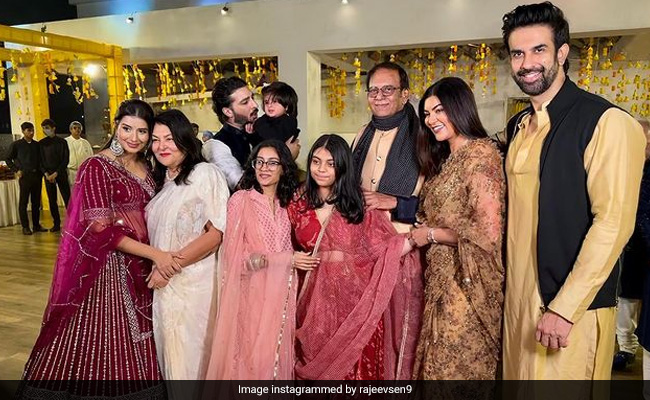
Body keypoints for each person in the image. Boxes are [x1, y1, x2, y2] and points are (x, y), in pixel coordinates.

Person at [501, 1, 646, 381]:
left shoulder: (607, 122)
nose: (527, 63)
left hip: (568, 309)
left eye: (539, 50)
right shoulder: (519, 125)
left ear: (562, 53)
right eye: (517, 53)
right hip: (516, 306)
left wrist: (564, 308)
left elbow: (613, 224)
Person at [19, 100, 177, 396]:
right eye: (127, 128)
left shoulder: (149, 166)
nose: (133, 137)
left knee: (146, 334)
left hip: (145, 266)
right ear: (115, 126)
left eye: (142, 131)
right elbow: (100, 229)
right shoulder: (97, 166)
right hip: (108, 270)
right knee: (107, 339)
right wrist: (158, 255)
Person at [290, 134, 422, 380]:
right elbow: (282, 245)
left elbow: (383, 248)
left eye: (330, 164)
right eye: (316, 162)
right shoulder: (297, 203)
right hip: (312, 307)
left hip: (356, 307)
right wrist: (291, 257)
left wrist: (417, 238)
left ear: (343, 166)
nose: (321, 169)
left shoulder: (359, 203)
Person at [408, 77, 505, 380]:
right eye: (427, 114)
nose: (431, 120)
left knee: (455, 372)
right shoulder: (447, 159)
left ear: (460, 108)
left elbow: (488, 232)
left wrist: (431, 234)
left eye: (439, 110)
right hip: (441, 280)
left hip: (467, 287)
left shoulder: (480, 154)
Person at [206, 140, 315, 380]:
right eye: (260, 162)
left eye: (272, 163)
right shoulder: (241, 200)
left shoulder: (289, 205)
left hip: (283, 296)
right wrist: (284, 259)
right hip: (252, 296)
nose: (264, 168)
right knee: (250, 363)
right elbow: (235, 259)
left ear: (284, 168)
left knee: (274, 362)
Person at [146, 109, 229, 384]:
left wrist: (169, 267)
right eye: (155, 140)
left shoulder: (205, 174)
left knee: (195, 361)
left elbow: (215, 234)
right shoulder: (163, 182)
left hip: (196, 287)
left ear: (184, 138)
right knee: (172, 359)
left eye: (169, 138)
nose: (161, 146)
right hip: (166, 289)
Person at [352, 62, 424, 234]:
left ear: (404, 94)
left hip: (403, 237)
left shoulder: (423, 136)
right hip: (359, 233)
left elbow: (441, 203)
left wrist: (397, 203)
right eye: (373, 90)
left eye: (388, 89)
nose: (379, 96)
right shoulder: (363, 133)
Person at [6, 122, 45, 235]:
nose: (31, 133)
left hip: (37, 176)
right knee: (23, 202)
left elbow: (41, 160)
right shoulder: (16, 145)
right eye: (29, 130)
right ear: (23, 131)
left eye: (32, 130)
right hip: (25, 176)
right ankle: (25, 227)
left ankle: (36, 225)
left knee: (36, 202)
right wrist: (16, 170)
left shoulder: (37, 145)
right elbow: (8, 159)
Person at [39, 118, 70, 232]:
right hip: (48, 175)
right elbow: (40, 161)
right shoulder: (41, 143)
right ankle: (56, 224)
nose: (45, 130)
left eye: (47, 128)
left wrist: (56, 173)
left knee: (67, 199)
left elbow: (65, 159)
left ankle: (72, 223)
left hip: (60, 173)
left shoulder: (62, 142)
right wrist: (46, 174)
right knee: (52, 200)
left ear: (53, 128)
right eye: (43, 128)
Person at [252, 81, 300, 145]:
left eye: (274, 102)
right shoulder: (263, 120)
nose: (269, 105)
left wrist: (256, 128)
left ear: (286, 106)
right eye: (266, 102)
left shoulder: (288, 121)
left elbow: (272, 138)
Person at [65, 121, 93, 190]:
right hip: (71, 171)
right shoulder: (65, 142)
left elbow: (91, 156)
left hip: (83, 171)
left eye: (79, 128)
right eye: (75, 128)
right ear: (71, 130)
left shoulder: (85, 142)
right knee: (72, 190)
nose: (77, 130)